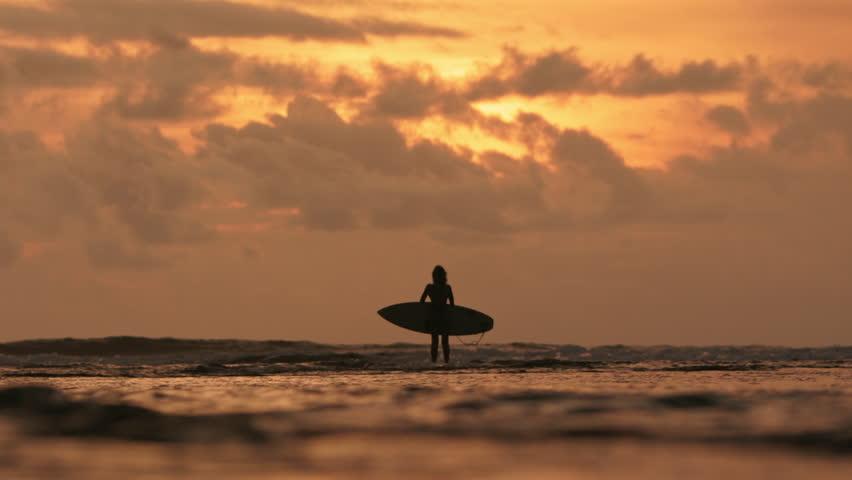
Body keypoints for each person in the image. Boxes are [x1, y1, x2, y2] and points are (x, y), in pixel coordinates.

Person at [419, 265, 454, 363]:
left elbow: (421, 303)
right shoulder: (447, 288)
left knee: (435, 342)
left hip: (433, 317)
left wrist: (424, 319)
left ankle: (434, 363)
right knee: (444, 343)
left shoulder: (430, 287)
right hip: (444, 317)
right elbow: (452, 306)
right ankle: (446, 363)